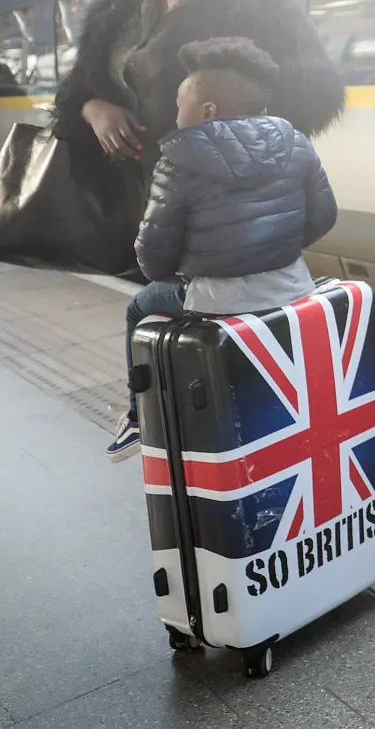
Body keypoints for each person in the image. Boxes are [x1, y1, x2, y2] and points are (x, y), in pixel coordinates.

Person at [53, 0, 344, 258]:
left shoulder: (255, 2)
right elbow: (75, 89)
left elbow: (317, 92)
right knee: (156, 310)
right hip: (138, 205)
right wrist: (95, 111)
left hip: (222, 211)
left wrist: (224, 124)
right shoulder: (116, 11)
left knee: (208, 311)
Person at [105, 37, 338, 461]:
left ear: (207, 111)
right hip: (291, 286)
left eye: (180, 105)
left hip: (218, 299)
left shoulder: (178, 158)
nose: (176, 116)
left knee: (139, 307)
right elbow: (324, 216)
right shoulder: (295, 140)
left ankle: (138, 419)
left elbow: (153, 257)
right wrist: (272, 250)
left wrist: (205, 265)